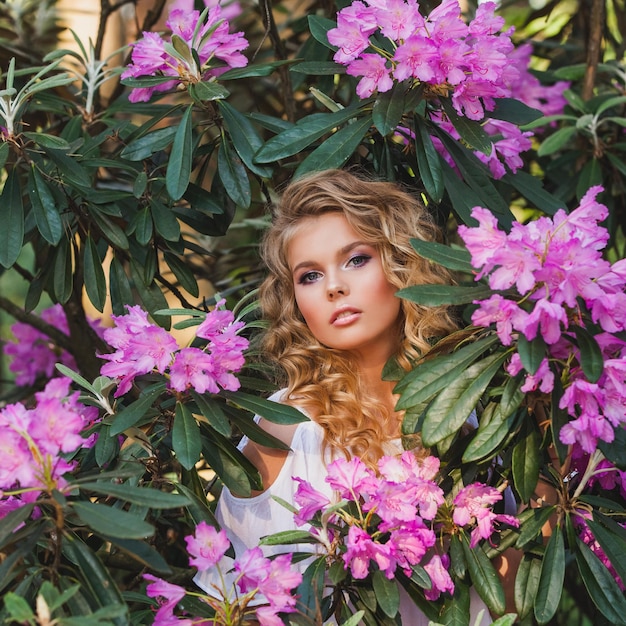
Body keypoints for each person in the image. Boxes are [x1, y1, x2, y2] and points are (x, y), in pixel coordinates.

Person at [194, 169, 494, 624]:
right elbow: (230, 603)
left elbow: (504, 598)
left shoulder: (468, 416)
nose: (333, 286)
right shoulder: (285, 427)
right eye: (310, 275)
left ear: (401, 264)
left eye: (355, 259)